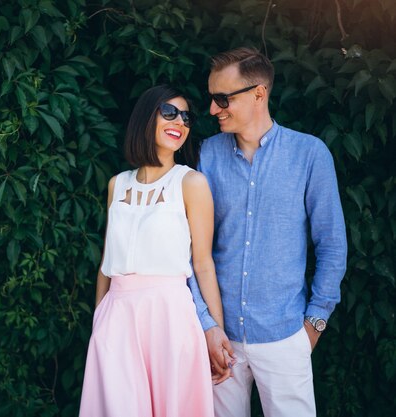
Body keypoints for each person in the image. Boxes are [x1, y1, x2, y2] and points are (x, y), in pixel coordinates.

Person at [187, 47, 348, 417]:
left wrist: (313, 326)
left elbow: (332, 244)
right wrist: (207, 325)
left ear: (259, 93)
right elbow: (190, 249)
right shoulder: (206, 155)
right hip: (219, 340)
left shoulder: (310, 154)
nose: (213, 110)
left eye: (222, 98)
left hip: (286, 335)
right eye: (212, 99)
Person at [78, 85, 231, 417]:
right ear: (146, 116)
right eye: (169, 112)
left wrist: (215, 331)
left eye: (186, 116)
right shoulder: (117, 184)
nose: (180, 121)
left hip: (170, 317)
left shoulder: (191, 183)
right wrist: (98, 321)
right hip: (116, 318)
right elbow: (106, 264)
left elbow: (203, 264)